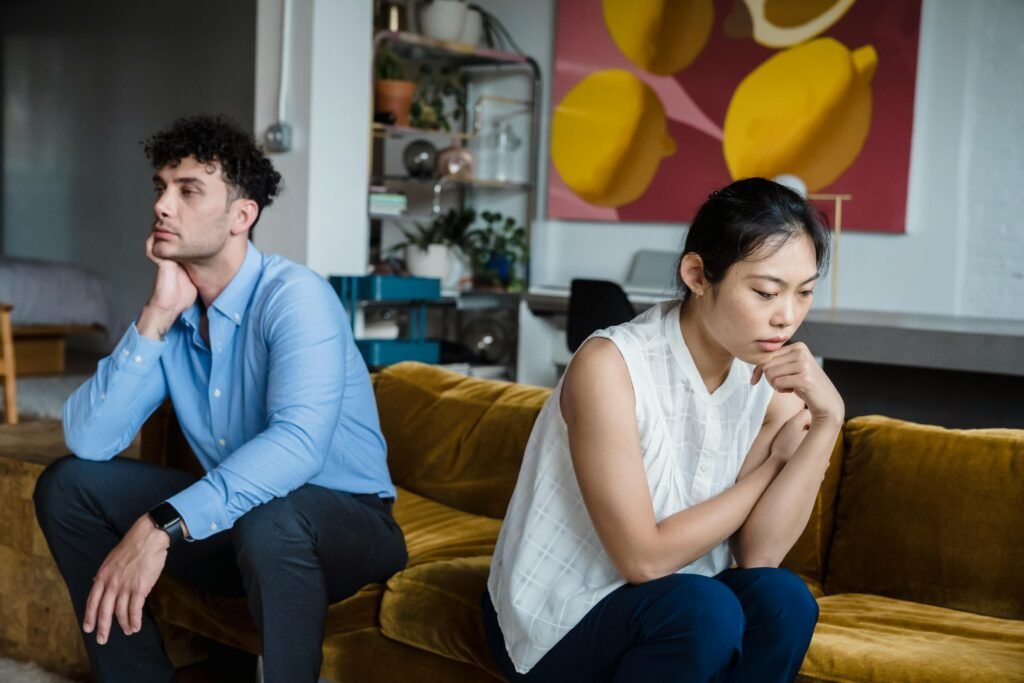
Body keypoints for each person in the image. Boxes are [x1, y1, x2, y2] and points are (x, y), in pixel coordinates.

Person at [33, 115, 407, 683]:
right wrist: (156, 316)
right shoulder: (176, 311)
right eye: (161, 188)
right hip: (242, 522)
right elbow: (89, 439)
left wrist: (162, 524)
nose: (162, 205)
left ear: (242, 216)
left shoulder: (295, 297)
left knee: (272, 520)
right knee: (67, 485)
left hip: (346, 526)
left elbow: (298, 445)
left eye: (187, 191)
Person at [484, 177, 843, 682]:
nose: (786, 317)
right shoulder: (610, 366)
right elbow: (643, 561)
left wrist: (828, 422)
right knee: (703, 610)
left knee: (784, 600)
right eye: (765, 292)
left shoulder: (769, 376)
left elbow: (759, 554)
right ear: (698, 274)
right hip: (560, 612)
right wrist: (773, 467)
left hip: (683, 601)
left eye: (803, 293)